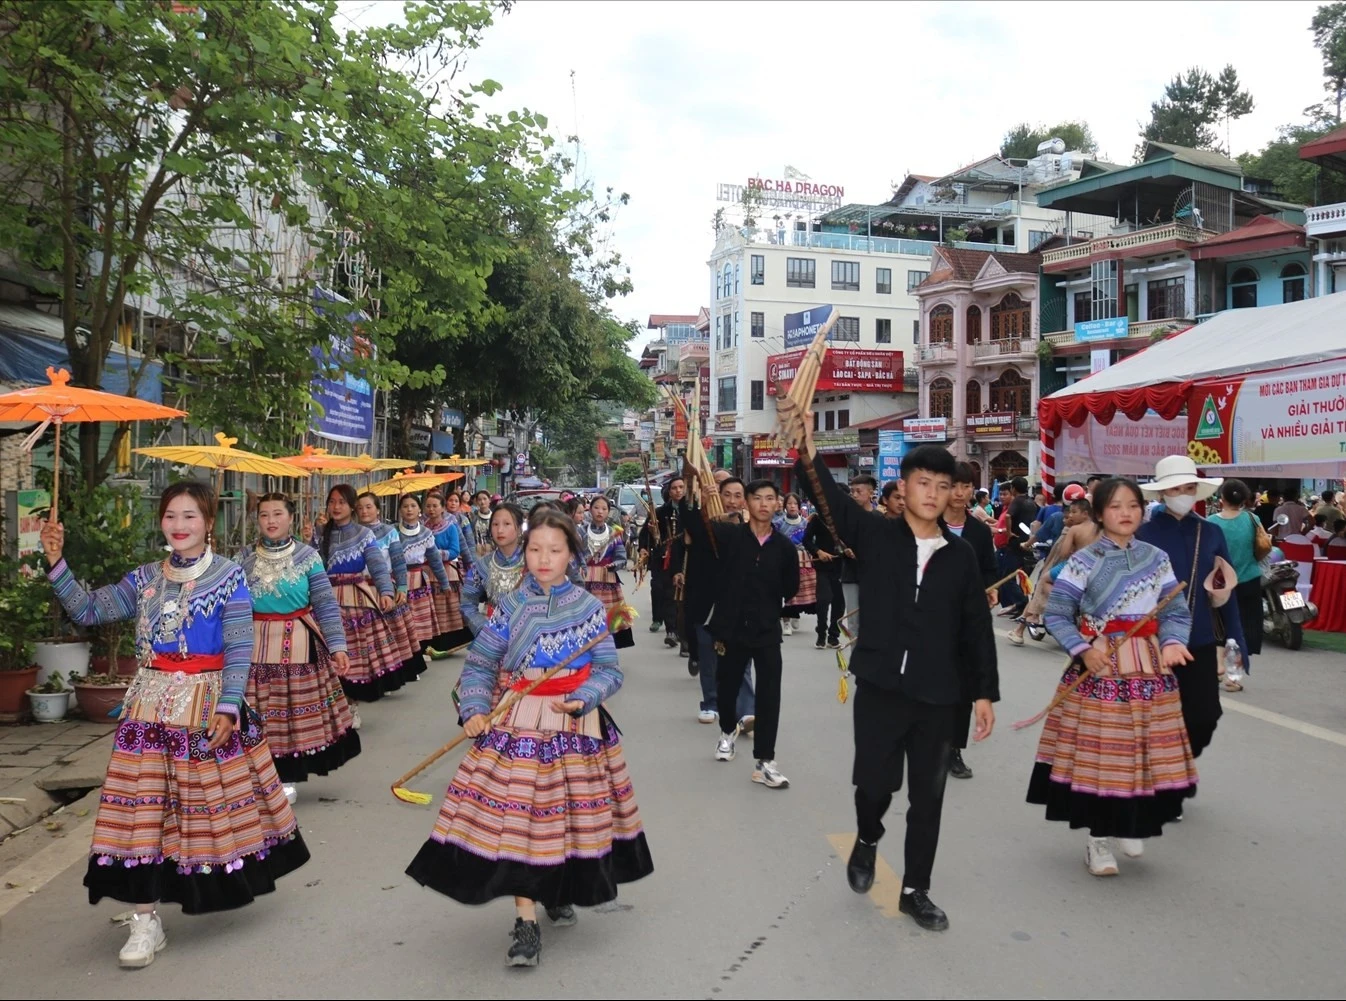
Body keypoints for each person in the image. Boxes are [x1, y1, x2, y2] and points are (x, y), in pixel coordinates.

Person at [40, 482, 309, 968]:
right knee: (141, 810)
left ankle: (195, 887)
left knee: (203, 809)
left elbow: (240, 646)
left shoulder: (229, 576)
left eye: (189, 516)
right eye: (170, 516)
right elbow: (87, 609)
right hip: (148, 709)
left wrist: (229, 706)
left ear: (209, 523)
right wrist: (56, 560)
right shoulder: (144, 578)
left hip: (205, 708)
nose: (179, 525)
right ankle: (145, 920)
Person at [404, 507, 654, 967]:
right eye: (535, 549)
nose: (543, 558)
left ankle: (556, 887)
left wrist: (586, 697)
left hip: (575, 724)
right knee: (521, 821)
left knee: (566, 819)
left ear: (570, 554)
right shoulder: (510, 608)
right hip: (519, 722)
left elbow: (609, 670)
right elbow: (480, 665)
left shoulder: (590, 608)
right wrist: (475, 712)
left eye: (554, 550)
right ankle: (526, 923)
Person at [794, 437, 997, 933]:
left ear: (954, 493)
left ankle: (915, 890)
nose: (932, 493)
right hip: (881, 685)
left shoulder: (962, 555)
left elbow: (975, 628)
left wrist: (983, 692)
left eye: (942, 485)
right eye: (922, 483)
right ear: (903, 488)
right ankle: (868, 836)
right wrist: (804, 449)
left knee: (929, 797)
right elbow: (830, 499)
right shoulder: (874, 534)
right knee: (874, 785)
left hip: (939, 695)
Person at [1030, 477, 1198, 877]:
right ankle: (1098, 839)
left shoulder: (1157, 558)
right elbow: (1056, 613)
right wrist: (1084, 649)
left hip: (1149, 667)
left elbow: (1174, 610)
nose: (1126, 513)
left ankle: (1130, 822)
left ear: (1143, 510)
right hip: (1101, 665)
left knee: (1144, 748)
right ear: (1100, 513)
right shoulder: (1083, 562)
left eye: (1133, 505)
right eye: (1116, 506)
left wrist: (1174, 642)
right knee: (1104, 754)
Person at [241, 493, 360, 805]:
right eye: (264, 514)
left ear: (290, 518)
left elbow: (324, 603)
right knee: (256, 714)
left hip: (298, 643)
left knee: (289, 714)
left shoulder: (307, 556)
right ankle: (255, 776)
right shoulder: (244, 559)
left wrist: (337, 646)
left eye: (277, 514)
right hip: (253, 645)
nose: (271, 521)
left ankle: (287, 777)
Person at [682, 478, 799, 788]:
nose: (763, 504)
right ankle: (726, 732)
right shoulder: (730, 537)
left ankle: (765, 761)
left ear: (777, 503)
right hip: (732, 630)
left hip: (767, 631)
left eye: (769, 498)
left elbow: (791, 588)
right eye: (757, 498)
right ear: (747, 503)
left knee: (770, 694)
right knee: (729, 685)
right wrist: (700, 500)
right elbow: (694, 524)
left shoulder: (785, 547)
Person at [1136, 456, 1247, 761]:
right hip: (1150, 641)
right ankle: (1163, 782)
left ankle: (1177, 764)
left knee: (1205, 717)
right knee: (1154, 718)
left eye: (1189, 487)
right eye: (1175, 489)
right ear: (1161, 493)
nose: (1183, 494)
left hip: (1198, 638)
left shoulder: (1210, 532)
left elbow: (1227, 588)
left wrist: (1236, 641)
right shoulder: (1142, 535)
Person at [671, 476, 757, 726]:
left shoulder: (753, 527)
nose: (732, 500)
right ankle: (710, 703)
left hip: (740, 604)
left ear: (745, 500)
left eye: (738, 495)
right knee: (709, 658)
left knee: (741, 658)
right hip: (706, 603)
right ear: (719, 496)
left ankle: (747, 709)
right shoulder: (706, 526)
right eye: (726, 494)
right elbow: (691, 522)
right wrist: (701, 503)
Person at [317, 484, 409, 703]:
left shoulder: (364, 534)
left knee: (356, 651)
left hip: (356, 598)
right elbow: (315, 567)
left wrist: (386, 591)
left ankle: (352, 702)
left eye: (341, 502)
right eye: (332, 502)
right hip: (328, 599)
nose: (336, 507)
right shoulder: (320, 533)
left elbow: (377, 565)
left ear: (352, 507)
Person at [942, 461, 999, 781]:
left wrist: (989, 588)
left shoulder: (978, 529)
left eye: (966, 486)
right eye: (954, 485)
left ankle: (954, 750)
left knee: (962, 689)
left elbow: (989, 569)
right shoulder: (926, 524)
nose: (961, 493)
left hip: (966, 622)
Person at [1009, 495, 1097, 646]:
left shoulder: (1071, 528)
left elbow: (1062, 552)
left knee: (1043, 580)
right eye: (1070, 513)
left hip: (1072, 566)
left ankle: (1052, 607)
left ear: (1085, 513)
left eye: (1073, 512)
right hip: (1095, 569)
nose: (1070, 515)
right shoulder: (1099, 527)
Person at [355, 491, 425, 683]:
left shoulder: (388, 532)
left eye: (369, 507)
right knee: (367, 638)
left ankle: (403, 672)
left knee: (395, 634)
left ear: (378, 509)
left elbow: (398, 561)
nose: (364, 511)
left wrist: (402, 587)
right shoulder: (351, 533)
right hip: (359, 590)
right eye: (360, 508)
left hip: (384, 587)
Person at [1207, 478, 1264, 692]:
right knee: (1243, 630)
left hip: (1220, 583)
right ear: (1244, 499)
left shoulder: (1211, 522)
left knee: (1219, 627)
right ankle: (1233, 679)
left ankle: (1217, 668)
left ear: (1221, 499)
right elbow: (1262, 545)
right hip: (1249, 580)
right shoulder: (1252, 519)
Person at [396, 494, 453, 655]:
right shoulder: (393, 532)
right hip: (398, 581)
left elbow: (435, 560)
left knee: (419, 620)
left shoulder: (426, 533)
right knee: (402, 620)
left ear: (419, 509)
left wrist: (444, 583)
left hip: (418, 580)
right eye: (405, 506)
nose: (409, 509)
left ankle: (419, 653)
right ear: (400, 510)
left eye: (413, 506)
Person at [461, 502, 528, 635]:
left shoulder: (534, 562)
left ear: (519, 528)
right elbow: (467, 603)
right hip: (497, 639)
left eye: (507, 524)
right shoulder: (482, 566)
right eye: (495, 524)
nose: (500, 530)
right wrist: (483, 628)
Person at [580, 496, 634, 650]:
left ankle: (606, 649)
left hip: (607, 582)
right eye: (597, 508)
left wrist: (615, 565)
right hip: (585, 581)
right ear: (590, 510)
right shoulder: (580, 532)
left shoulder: (614, 533)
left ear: (608, 512)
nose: (600, 512)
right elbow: (574, 555)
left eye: (604, 509)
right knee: (585, 617)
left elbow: (621, 558)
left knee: (608, 617)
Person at [637, 476, 685, 650]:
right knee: (666, 592)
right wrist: (644, 547)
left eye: (681, 487)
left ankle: (683, 634)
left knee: (684, 598)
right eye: (674, 488)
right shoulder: (659, 513)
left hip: (687, 558)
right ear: (669, 492)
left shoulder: (694, 512)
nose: (678, 491)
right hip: (663, 558)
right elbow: (644, 535)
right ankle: (670, 630)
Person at [424, 490, 473, 654]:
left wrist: (435, 553)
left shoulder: (451, 527)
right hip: (427, 573)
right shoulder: (422, 529)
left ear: (442, 508)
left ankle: (448, 643)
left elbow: (455, 550)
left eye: (435, 506)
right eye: (428, 506)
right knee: (431, 611)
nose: (431, 509)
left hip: (447, 572)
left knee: (448, 610)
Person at [804, 508, 846, 649]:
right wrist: (818, 551)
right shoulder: (818, 518)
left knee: (839, 603)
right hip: (823, 566)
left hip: (843, 566)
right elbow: (806, 540)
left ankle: (833, 636)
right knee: (823, 599)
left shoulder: (848, 517)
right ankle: (821, 632)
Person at [774, 493, 816, 636]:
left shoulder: (805, 523)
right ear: (785, 505)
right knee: (786, 590)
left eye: (795, 504)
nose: (792, 506)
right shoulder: (778, 523)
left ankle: (795, 613)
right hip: (784, 560)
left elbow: (811, 541)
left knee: (800, 590)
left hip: (803, 560)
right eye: (789, 503)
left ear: (799, 506)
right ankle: (786, 621)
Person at [842, 474, 877, 641]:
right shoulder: (847, 517)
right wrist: (844, 550)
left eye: (859, 491)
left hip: (873, 577)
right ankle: (856, 662)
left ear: (871, 493)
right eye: (852, 491)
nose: (855, 495)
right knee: (853, 621)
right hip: (850, 574)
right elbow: (838, 541)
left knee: (871, 619)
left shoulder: (879, 519)